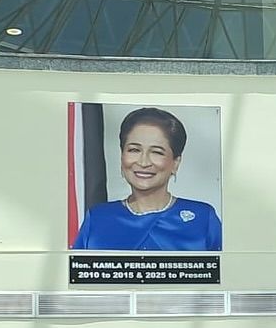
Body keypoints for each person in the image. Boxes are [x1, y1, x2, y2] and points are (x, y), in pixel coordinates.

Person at [72, 107, 222, 251]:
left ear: (175, 162)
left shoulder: (203, 219)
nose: (143, 162)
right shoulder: (98, 218)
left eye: (157, 152)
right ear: (122, 156)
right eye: (134, 150)